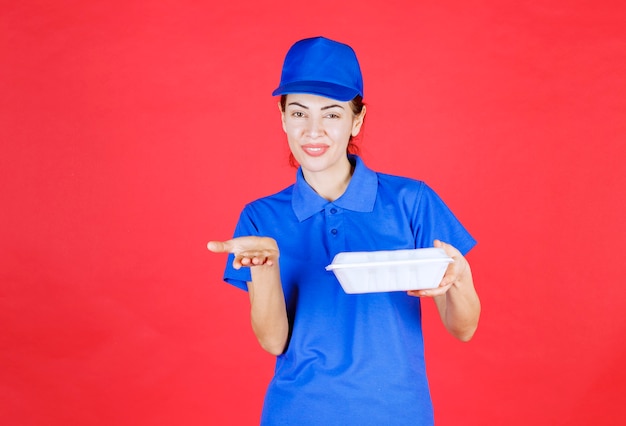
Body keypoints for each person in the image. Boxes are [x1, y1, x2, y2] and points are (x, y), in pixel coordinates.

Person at [208, 36, 480, 425]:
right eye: (299, 113)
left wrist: (461, 277)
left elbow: (463, 328)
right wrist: (265, 268)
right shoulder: (260, 219)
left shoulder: (412, 201)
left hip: (397, 413)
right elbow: (273, 341)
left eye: (332, 114)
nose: (313, 131)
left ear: (358, 119)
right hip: (298, 412)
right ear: (282, 117)